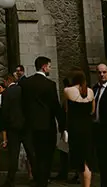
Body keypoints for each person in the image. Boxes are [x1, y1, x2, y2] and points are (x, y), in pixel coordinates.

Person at [21, 57, 65, 187]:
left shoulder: (26, 83)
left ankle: (37, 178)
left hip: (30, 125)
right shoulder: (49, 85)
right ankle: (43, 181)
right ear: (44, 67)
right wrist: (63, 126)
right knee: (46, 156)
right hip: (46, 126)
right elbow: (55, 106)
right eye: (50, 66)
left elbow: (22, 105)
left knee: (34, 155)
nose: (50, 69)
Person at [64, 70, 97, 187]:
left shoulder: (68, 91)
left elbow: (67, 110)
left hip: (75, 128)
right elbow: (92, 111)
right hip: (88, 128)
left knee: (79, 160)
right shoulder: (91, 92)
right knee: (87, 159)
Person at [0, 75, 34, 187]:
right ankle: (37, 176)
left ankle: (10, 180)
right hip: (26, 126)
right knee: (31, 152)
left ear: (7, 81)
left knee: (13, 154)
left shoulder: (6, 93)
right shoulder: (23, 91)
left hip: (13, 127)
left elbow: (4, 113)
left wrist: (4, 127)